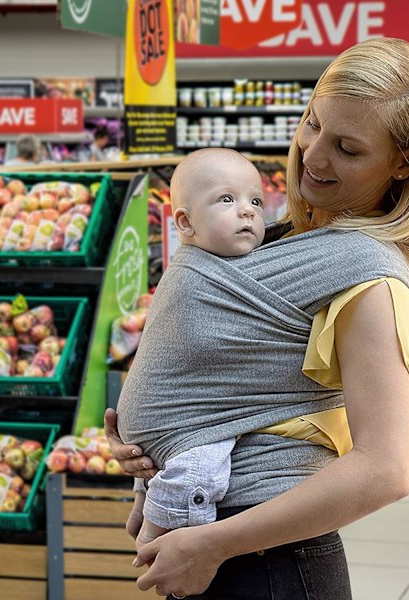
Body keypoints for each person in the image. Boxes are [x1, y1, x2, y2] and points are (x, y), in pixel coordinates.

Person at [104, 36, 409, 600]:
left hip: (266, 562)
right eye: (313, 124)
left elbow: (387, 470)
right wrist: (162, 437)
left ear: (405, 161)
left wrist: (213, 544)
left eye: (348, 147)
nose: (313, 156)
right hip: (219, 537)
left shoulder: (371, 280)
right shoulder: (279, 240)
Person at [118, 148, 267, 550]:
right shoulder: (196, 274)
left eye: (255, 201)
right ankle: (159, 528)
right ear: (184, 222)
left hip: (155, 425)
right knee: (206, 461)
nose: (247, 212)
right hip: (190, 422)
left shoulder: (204, 266)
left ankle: (143, 501)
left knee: (173, 462)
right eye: (226, 199)